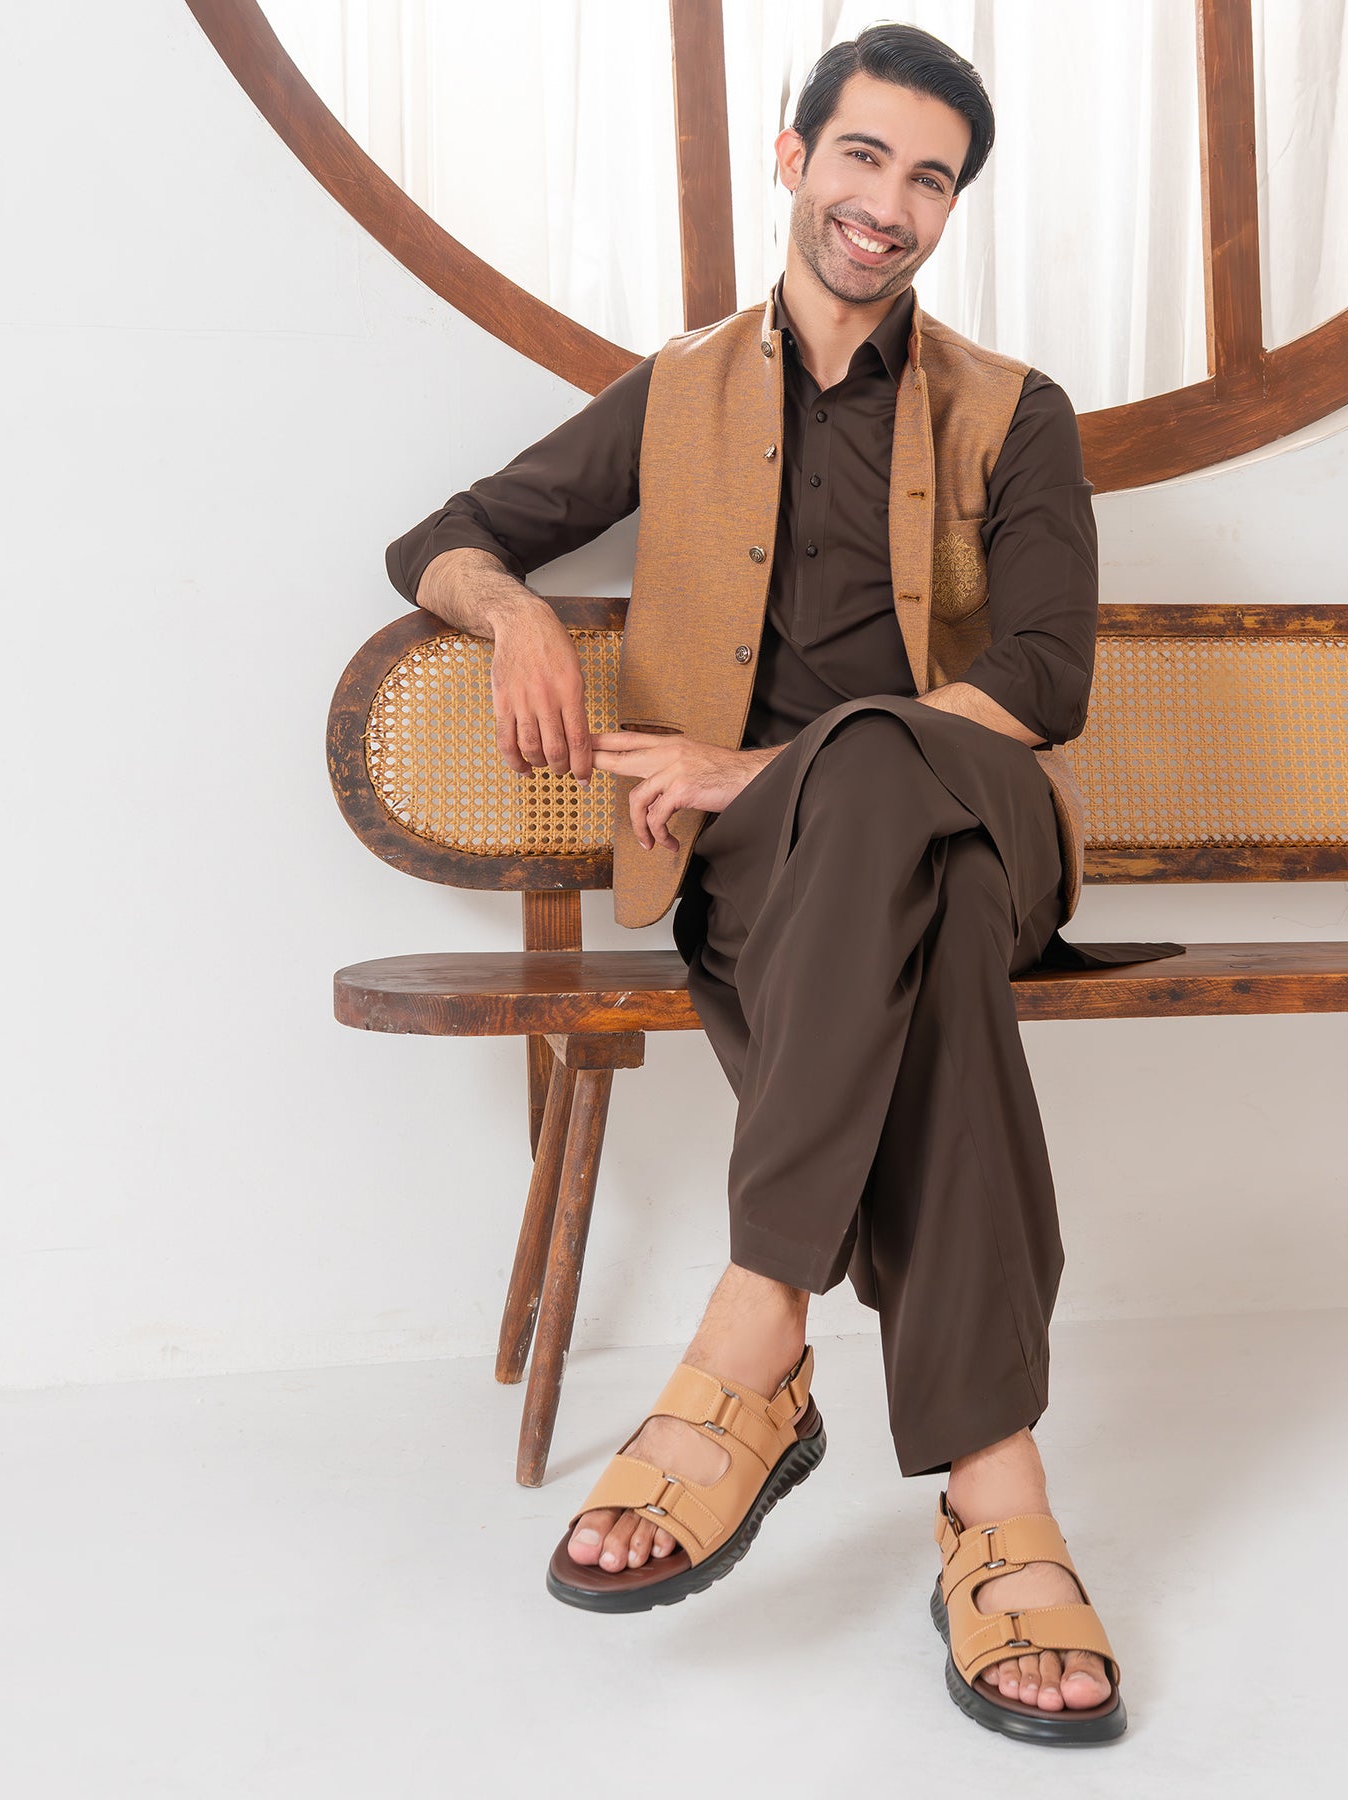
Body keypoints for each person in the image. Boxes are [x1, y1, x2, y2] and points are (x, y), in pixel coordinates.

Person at [385, 24, 1185, 1747]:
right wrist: (520, 616)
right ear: (794, 156)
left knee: (889, 769)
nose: (888, 204)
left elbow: (1044, 676)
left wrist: (764, 766)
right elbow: (439, 536)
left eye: (930, 179)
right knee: (928, 962)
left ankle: (758, 1328)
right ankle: (998, 1495)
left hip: (982, 822)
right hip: (786, 891)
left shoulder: (1016, 413)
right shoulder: (674, 394)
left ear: (951, 209)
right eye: (864, 157)